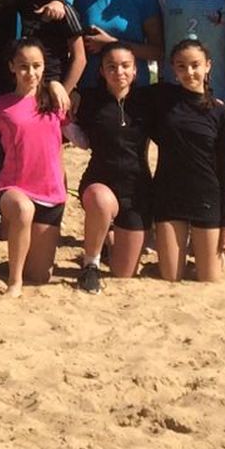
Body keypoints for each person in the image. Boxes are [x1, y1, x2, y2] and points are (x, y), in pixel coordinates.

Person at [147, 38, 225, 284]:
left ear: (208, 66)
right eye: (181, 66)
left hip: (207, 197)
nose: (189, 72)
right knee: (170, 276)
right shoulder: (162, 98)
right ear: (173, 69)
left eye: (195, 65)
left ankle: (209, 254)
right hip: (169, 195)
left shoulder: (221, 112)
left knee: (210, 278)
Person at [0, 40, 70, 294]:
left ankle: (21, 261)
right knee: (23, 211)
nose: (30, 73)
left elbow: (64, 144)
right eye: (23, 66)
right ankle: (14, 281)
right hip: (14, 186)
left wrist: (57, 84)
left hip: (50, 191)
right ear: (12, 67)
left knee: (40, 275)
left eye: (36, 66)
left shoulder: (56, 100)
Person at [68, 43, 151, 289]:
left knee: (123, 273)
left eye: (126, 66)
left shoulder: (148, 100)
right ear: (102, 71)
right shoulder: (88, 99)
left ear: (135, 70)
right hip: (100, 181)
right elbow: (62, 120)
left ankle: (109, 239)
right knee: (100, 200)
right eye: (111, 67)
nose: (119, 72)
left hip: (137, 190)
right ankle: (90, 264)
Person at [11, 0, 86, 93]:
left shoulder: (63, 10)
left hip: (54, 84)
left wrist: (66, 91)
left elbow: (79, 57)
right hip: (22, 85)